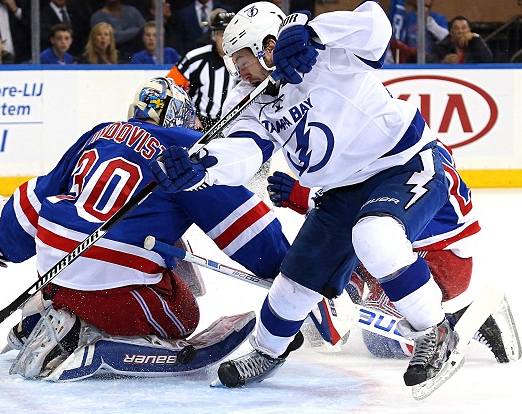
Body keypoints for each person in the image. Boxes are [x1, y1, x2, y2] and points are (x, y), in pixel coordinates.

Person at [150, 1, 460, 390]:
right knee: (293, 283)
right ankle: (267, 350)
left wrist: (315, 33)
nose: (237, 70)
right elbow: (247, 151)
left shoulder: (326, 53)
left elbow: (375, 25)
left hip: (403, 161)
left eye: (242, 58)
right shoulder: (249, 97)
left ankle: (436, 330)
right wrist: (204, 167)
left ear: (267, 43)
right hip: (340, 190)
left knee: (375, 235)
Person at [0, 77, 291, 381]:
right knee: (183, 315)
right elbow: (243, 227)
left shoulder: (101, 132)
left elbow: (38, 195)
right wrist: (290, 270)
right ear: (181, 116)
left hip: (55, 268)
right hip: (112, 282)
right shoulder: (189, 150)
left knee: (159, 245)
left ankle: (47, 310)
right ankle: (85, 332)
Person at [266, 141, 519, 363]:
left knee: (379, 339)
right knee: (351, 238)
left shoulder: (399, 153)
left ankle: (466, 322)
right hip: (410, 245)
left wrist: (310, 198)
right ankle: (338, 298)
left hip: (438, 257)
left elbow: (363, 207)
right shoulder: (397, 141)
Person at [167, 10, 235, 130]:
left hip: (233, 126)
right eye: (222, 35)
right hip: (199, 125)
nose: (226, 40)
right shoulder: (195, 58)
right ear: (214, 36)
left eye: (231, 35)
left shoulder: (246, 60)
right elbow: (170, 87)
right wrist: (189, 115)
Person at [429, 16, 493, 64]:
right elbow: (429, 66)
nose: (460, 31)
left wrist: (477, 38)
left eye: (464, 28)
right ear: (451, 32)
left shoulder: (475, 45)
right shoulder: (440, 47)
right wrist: (443, 62)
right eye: (456, 28)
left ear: (469, 30)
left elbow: (488, 60)